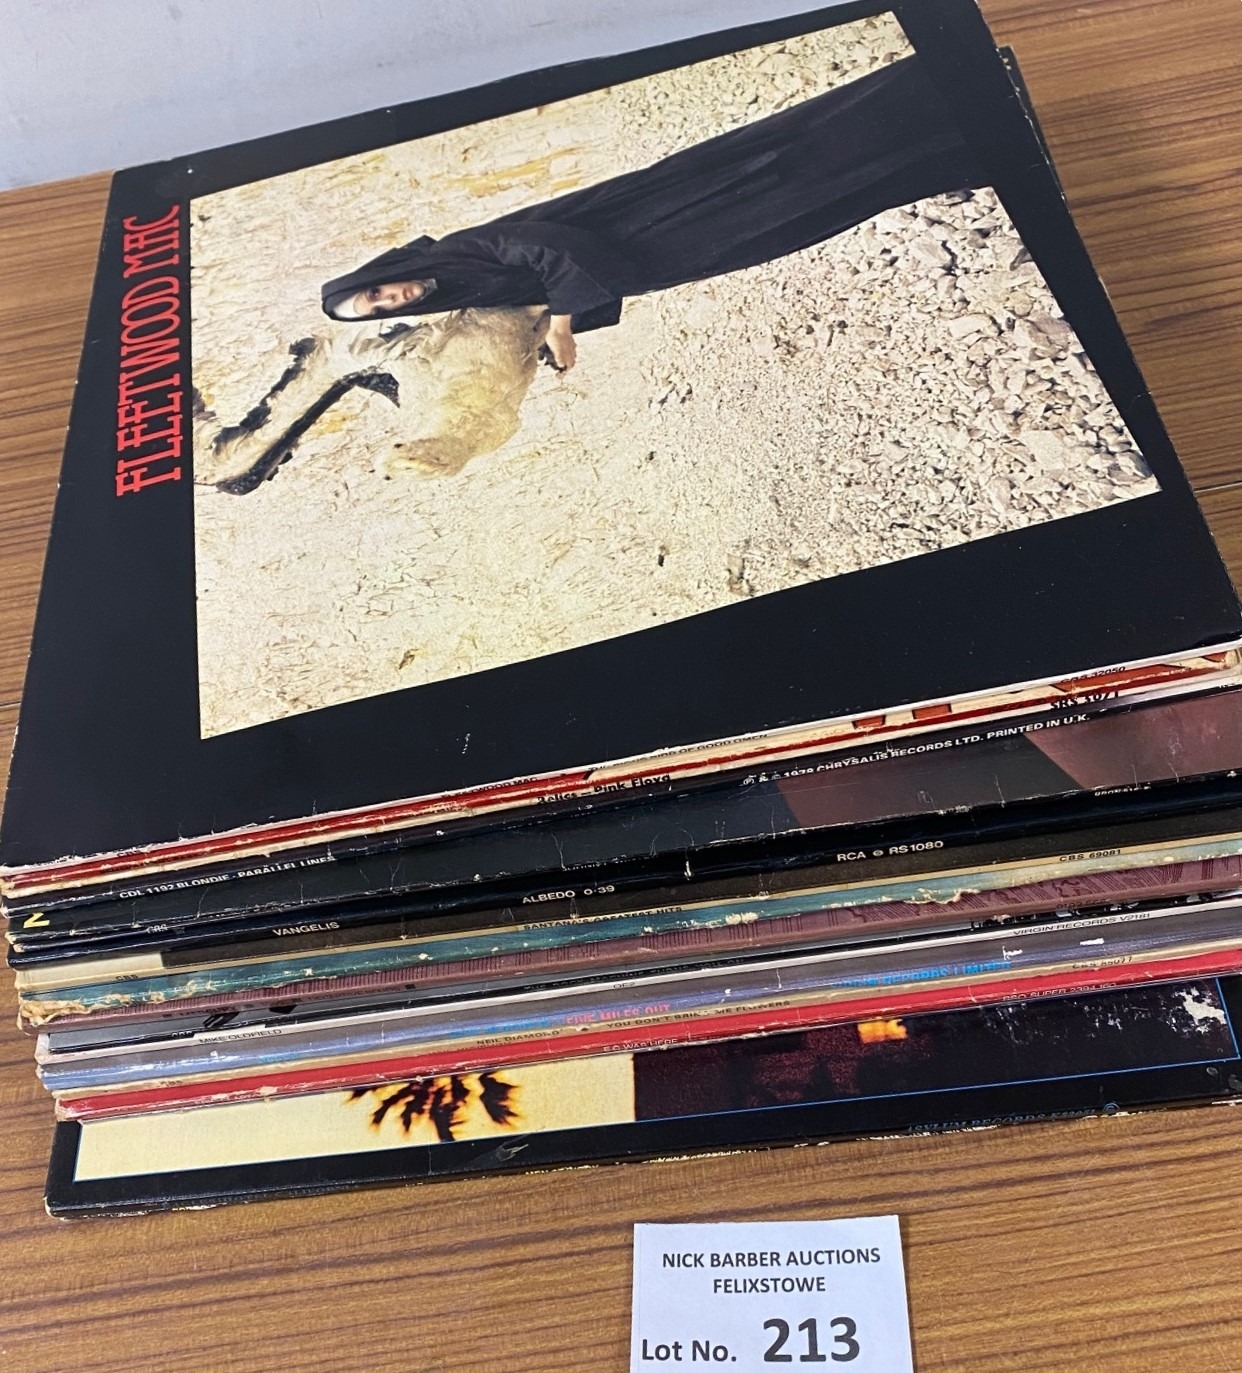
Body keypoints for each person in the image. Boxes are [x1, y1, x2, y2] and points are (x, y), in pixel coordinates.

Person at [322, 54, 985, 370]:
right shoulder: (459, 290)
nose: (391, 298)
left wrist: (563, 326)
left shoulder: (456, 252)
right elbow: (541, 293)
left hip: (673, 211)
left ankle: (950, 97)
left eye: (375, 290)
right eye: (381, 309)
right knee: (812, 211)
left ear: (379, 274)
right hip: (675, 248)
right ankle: (962, 149)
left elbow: (549, 250)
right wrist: (537, 334)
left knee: (806, 165)